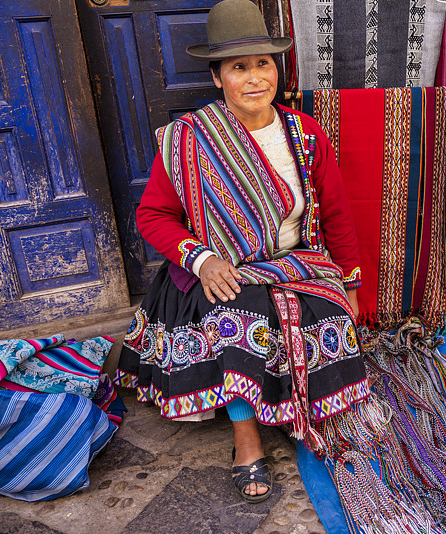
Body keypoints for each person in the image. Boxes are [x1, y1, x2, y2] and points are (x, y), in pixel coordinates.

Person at [115, 0, 370, 504]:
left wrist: (352, 283)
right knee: (239, 316)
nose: (254, 78)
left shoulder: (305, 134)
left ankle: (304, 409)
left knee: (327, 312)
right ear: (217, 77)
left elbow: (336, 213)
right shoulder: (187, 140)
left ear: (277, 69)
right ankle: (247, 435)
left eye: (263, 64)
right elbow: (152, 217)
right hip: (220, 267)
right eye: (238, 67)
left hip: (296, 263)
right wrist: (202, 259)